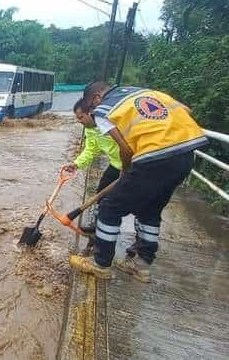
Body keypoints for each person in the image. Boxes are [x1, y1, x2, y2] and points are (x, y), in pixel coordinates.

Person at [69, 81, 208, 283]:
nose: (93, 110)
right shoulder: (149, 93)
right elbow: (186, 110)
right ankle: (141, 266)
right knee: (150, 211)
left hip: (153, 157)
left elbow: (125, 150)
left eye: (91, 105)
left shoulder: (106, 109)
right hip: (185, 155)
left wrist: (126, 172)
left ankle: (100, 264)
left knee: (109, 208)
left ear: (98, 96)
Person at [63, 99, 122, 256]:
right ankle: (96, 230)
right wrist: (76, 164)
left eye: (81, 117)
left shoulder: (111, 124)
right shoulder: (90, 129)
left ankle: (134, 250)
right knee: (101, 195)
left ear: (91, 113)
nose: (79, 121)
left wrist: (131, 167)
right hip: (116, 165)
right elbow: (91, 150)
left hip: (133, 166)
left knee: (117, 205)